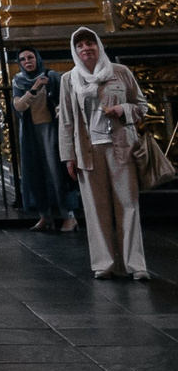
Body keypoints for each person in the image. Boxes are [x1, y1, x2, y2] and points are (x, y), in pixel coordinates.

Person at [61, 27, 153, 281]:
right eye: (80, 45)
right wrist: (69, 156)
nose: (86, 49)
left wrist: (122, 110)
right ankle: (105, 263)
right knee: (95, 208)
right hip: (88, 151)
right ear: (75, 50)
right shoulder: (69, 79)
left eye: (90, 43)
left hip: (122, 146)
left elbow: (141, 105)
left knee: (128, 205)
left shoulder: (119, 72)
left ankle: (135, 264)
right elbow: (66, 121)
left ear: (98, 46)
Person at [10, 49, 75, 234]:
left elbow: (63, 100)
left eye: (30, 57)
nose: (27, 61)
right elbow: (19, 105)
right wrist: (34, 89)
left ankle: (68, 216)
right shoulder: (19, 80)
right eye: (23, 59)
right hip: (30, 132)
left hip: (51, 129)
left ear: (37, 59)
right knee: (36, 173)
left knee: (56, 172)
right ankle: (45, 215)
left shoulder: (51, 76)